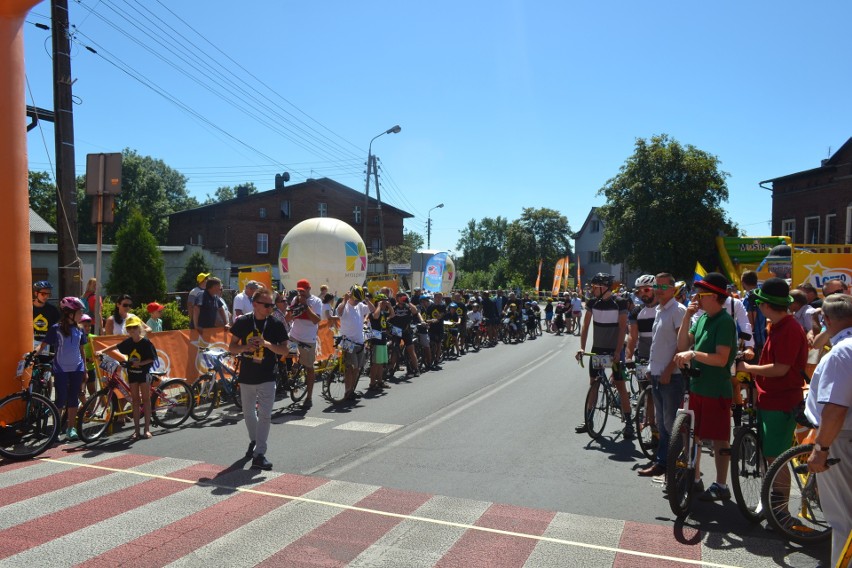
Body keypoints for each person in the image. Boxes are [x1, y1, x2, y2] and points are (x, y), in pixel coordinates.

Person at [674, 272, 738, 502]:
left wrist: (693, 354)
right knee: (694, 435)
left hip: (715, 389)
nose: (697, 297)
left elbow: (721, 359)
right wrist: (686, 317)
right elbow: (682, 344)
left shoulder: (725, 322)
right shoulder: (701, 319)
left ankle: (721, 484)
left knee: (720, 439)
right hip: (697, 386)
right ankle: (696, 478)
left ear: (715, 296)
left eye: (702, 293)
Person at [737, 278, 807, 482]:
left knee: (775, 459)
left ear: (765, 305)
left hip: (781, 401)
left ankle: (781, 512)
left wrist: (749, 368)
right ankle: (776, 507)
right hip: (772, 400)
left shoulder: (789, 329)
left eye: (758, 304)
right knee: (772, 457)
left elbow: (781, 369)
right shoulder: (778, 325)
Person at [804, 293, 852, 568]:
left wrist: (821, 449)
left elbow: (835, 408)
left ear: (826, 320)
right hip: (842, 435)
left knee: (843, 519)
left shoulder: (842, 351)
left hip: (841, 439)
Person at [229, 287, 288, 471]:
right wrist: (245, 347)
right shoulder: (244, 321)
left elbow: (284, 350)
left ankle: (259, 453)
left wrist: (267, 344)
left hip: (267, 376)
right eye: (267, 305)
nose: (271, 308)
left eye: (272, 304)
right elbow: (231, 347)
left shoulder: (276, 323)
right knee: (248, 414)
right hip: (247, 376)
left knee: (265, 415)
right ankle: (255, 441)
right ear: (255, 304)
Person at [638, 273, 687, 478]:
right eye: (656, 286)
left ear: (673, 288)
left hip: (672, 375)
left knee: (671, 424)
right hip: (657, 374)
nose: (658, 290)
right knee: (661, 422)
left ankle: (676, 464)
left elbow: (682, 344)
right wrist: (652, 367)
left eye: (663, 286)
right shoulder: (659, 310)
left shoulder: (678, 310)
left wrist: (668, 369)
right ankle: (664, 462)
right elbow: (657, 343)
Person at [576, 273, 633, 438]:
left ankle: (629, 423)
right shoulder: (593, 302)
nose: (592, 290)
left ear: (605, 287)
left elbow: (622, 328)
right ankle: (589, 421)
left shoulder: (619, 302)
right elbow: (585, 326)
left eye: (595, 287)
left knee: (620, 385)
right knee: (593, 383)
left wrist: (617, 352)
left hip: (614, 350)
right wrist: (581, 348)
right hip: (597, 349)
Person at [97, 316, 158, 440]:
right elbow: (115, 346)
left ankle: (146, 429)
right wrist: (102, 351)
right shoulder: (128, 342)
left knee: (146, 400)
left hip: (143, 373)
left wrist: (140, 364)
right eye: (129, 328)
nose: (132, 330)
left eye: (135, 327)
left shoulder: (146, 342)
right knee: (135, 401)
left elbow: (152, 358)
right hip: (132, 373)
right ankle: (136, 431)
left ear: (139, 328)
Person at [36, 296, 88, 441]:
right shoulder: (56, 329)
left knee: (73, 399)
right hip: (61, 368)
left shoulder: (80, 329)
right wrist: (33, 354)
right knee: (61, 399)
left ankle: (71, 429)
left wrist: (84, 369)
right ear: (69, 313)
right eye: (79, 312)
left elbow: (82, 350)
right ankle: (56, 430)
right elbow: (43, 345)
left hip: (77, 368)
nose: (81, 315)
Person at [285, 278, 323, 409]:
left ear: (308, 289)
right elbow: (287, 318)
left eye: (303, 291)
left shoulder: (316, 301)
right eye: (299, 291)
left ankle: (309, 397)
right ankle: (293, 371)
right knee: (289, 357)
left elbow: (316, 320)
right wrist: (294, 307)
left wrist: (306, 306)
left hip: (308, 340)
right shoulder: (295, 299)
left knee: (309, 367)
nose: (301, 293)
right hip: (294, 336)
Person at [336, 285, 372, 400]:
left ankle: (351, 390)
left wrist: (366, 300)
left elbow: (372, 310)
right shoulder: (345, 305)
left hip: (359, 341)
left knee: (357, 368)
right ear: (351, 296)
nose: (357, 302)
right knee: (351, 367)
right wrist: (345, 299)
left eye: (358, 300)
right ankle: (347, 391)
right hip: (348, 341)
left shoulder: (360, 305)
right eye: (356, 299)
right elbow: (339, 312)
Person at [367, 293, 391, 391]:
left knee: (381, 363)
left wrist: (389, 306)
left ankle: (380, 381)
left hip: (383, 340)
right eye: (384, 301)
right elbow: (376, 317)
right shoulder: (374, 312)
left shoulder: (383, 312)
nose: (385, 303)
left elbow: (392, 314)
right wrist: (379, 305)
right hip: (376, 341)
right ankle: (372, 383)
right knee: (375, 364)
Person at [32, 280, 60, 351]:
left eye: (48, 294)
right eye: (43, 294)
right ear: (36, 293)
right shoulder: (28, 309)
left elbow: (58, 328)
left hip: (48, 346)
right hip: (31, 345)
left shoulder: (52, 310)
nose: (46, 297)